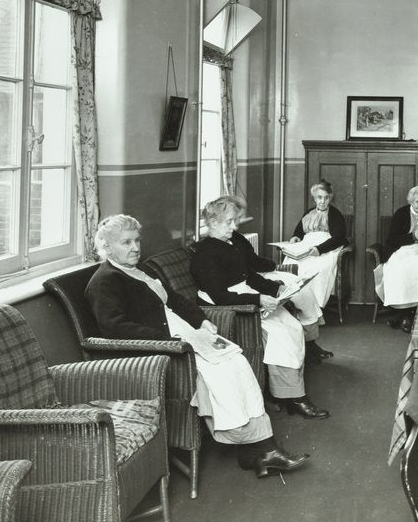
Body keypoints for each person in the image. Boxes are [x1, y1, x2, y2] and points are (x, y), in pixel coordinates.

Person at [85, 215, 311, 477]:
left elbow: (175, 300)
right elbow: (115, 328)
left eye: (137, 241)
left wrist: (201, 321)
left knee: (237, 360)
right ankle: (260, 451)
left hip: (181, 333)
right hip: (159, 350)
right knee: (222, 372)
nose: (135, 247)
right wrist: (172, 341)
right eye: (126, 243)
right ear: (107, 247)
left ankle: (259, 449)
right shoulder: (105, 281)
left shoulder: (140, 270)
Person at [190, 196, 329, 419]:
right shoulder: (205, 253)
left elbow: (250, 276)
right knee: (282, 333)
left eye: (235, 221)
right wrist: (258, 300)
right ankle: (293, 397)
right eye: (229, 222)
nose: (234, 227)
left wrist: (278, 288)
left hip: (245, 295)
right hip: (228, 305)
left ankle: (287, 392)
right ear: (213, 223)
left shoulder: (230, 243)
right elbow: (219, 295)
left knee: (292, 326)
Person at [288, 179, 349, 357]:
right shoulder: (309, 212)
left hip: (326, 248)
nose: (322, 201)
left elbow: (338, 238)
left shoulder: (335, 214)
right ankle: (294, 306)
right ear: (314, 198)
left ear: (330, 198)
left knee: (318, 270)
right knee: (292, 266)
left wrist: (319, 250)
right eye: (318, 198)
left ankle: (312, 310)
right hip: (308, 246)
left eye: (325, 198)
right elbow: (299, 231)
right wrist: (295, 238)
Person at [374, 185, 418, 334]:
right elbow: (391, 239)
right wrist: (413, 236)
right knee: (398, 270)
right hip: (399, 250)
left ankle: (404, 316)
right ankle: (404, 315)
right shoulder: (401, 213)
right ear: (411, 201)